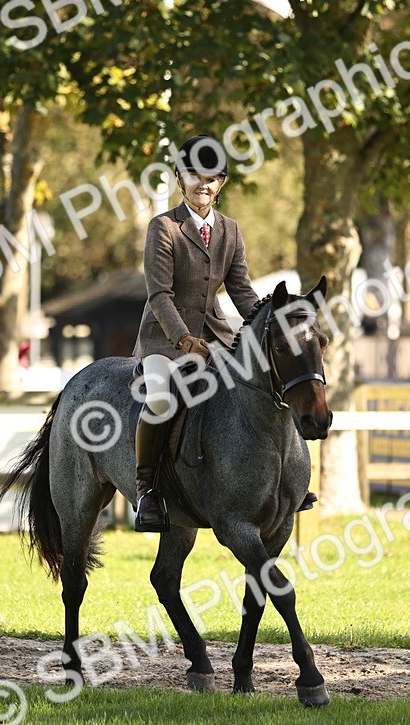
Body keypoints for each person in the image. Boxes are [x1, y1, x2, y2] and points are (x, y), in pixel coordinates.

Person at [131, 135, 315, 532]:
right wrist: (182, 340)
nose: (204, 184)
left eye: (212, 178)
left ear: (221, 184)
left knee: (263, 385)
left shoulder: (230, 230)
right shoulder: (163, 227)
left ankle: (284, 481)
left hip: (216, 336)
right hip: (165, 340)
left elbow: (242, 292)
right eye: (195, 175)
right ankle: (147, 490)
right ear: (181, 179)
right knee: (162, 399)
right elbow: (159, 294)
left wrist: (275, 322)